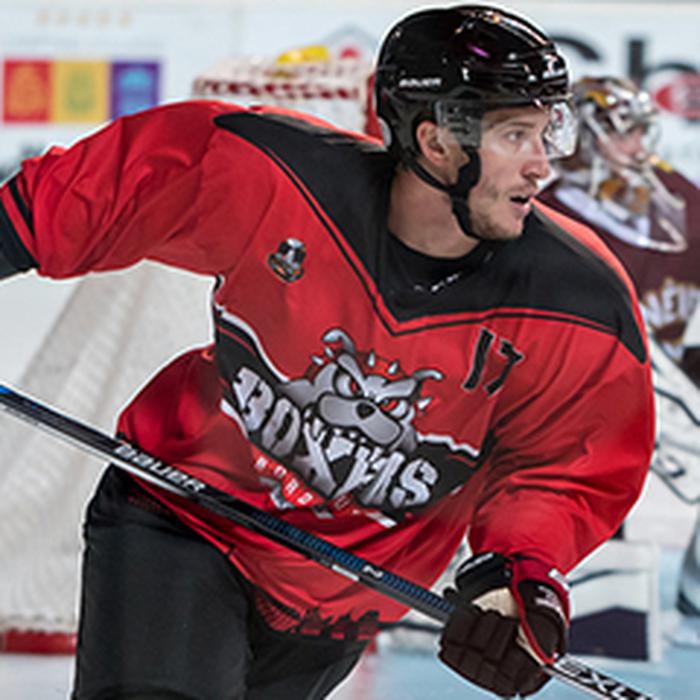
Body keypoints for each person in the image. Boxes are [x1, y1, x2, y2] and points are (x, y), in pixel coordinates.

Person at [0, 6, 654, 699]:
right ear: (435, 140)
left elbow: (564, 468)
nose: (542, 166)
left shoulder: (577, 301)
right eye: (516, 135)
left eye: (546, 132)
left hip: (340, 596)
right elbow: (95, 194)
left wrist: (515, 573)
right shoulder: (276, 179)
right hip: (184, 518)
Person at [537, 75, 700, 644]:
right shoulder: (546, 213)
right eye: (620, 132)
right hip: (585, 384)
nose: (636, 146)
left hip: (666, 375)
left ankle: (693, 605)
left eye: (639, 130)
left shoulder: (680, 196)